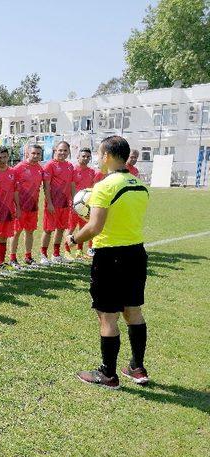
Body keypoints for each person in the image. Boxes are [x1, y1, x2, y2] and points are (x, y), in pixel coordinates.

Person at [69, 135, 150, 389]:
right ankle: (137, 367)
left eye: (99, 153)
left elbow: (94, 227)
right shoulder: (140, 185)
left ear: (107, 156)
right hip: (136, 253)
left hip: (110, 257)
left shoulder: (104, 186)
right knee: (133, 311)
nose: (97, 157)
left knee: (108, 316)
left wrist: (74, 238)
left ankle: (108, 374)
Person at [39, 141, 75, 264]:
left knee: (61, 229)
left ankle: (56, 254)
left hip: (65, 204)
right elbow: (46, 186)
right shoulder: (50, 165)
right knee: (48, 230)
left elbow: (71, 184)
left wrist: (74, 200)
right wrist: (49, 203)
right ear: (55, 150)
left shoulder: (70, 166)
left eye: (65, 150)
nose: (62, 153)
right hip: (53, 204)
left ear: (69, 151)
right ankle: (43, 255)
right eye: (60, 150)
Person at [10, 144, 44, 268]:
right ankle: (12, 258)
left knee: (30, 232)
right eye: (33, 153)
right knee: (16, 232)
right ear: (27, 154)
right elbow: (12, 187)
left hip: (33, 207)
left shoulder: (40, 169)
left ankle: (28, 256)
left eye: (38, 154)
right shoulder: (18, 168)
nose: (35, 156)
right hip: (20, 207)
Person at [65, 147, 96, 259]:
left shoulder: (92, 172)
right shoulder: (73, 170)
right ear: (78, 157)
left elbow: (91, 188)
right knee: (71, 228)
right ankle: (67, 251)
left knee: (83, 228)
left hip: (86, 207)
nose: (86, 158)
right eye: (83, 156)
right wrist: (74, 203)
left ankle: (79, 251)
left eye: (88, 157)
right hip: (74, 205)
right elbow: (71, 186)